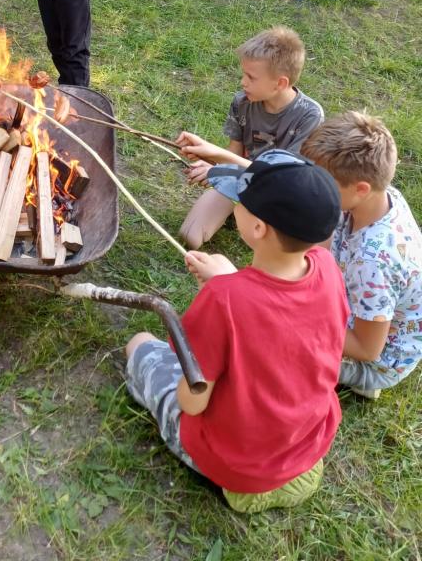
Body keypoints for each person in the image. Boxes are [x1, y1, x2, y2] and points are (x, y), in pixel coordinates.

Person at [125, 149, 348, 513]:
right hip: (305, 444)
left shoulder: (223, 299)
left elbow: (192, 402)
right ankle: (280, 477)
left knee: (140, 344)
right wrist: (229, 280)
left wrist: (224, 288)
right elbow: (277, 312)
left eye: (237, 201)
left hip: (236, 464)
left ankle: (243, 484)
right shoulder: (327, 267)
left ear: (258, 228)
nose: (233, 205)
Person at [301, 112, 422, 399]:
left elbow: (367, 349)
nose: (313, 188)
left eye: (323, 182)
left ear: (361, 189)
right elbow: (326, 237)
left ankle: (362, 383)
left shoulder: (374, 264)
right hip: (359, 302)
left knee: (280, 341)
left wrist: (301, 317)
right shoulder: (378, 197)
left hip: (376, 361)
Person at [176, 26, 323, 248]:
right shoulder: (242, 102)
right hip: (241, 179)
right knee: (190, 236)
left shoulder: (310, 115)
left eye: (251, 77)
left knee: (268, 244)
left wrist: (219, 164)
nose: (243, 82)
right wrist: (212, 164)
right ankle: (238, 210)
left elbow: (285, 178)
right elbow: (235, 150)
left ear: (280, 83)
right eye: (243, 74)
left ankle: (247, 214)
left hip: (281, 196)